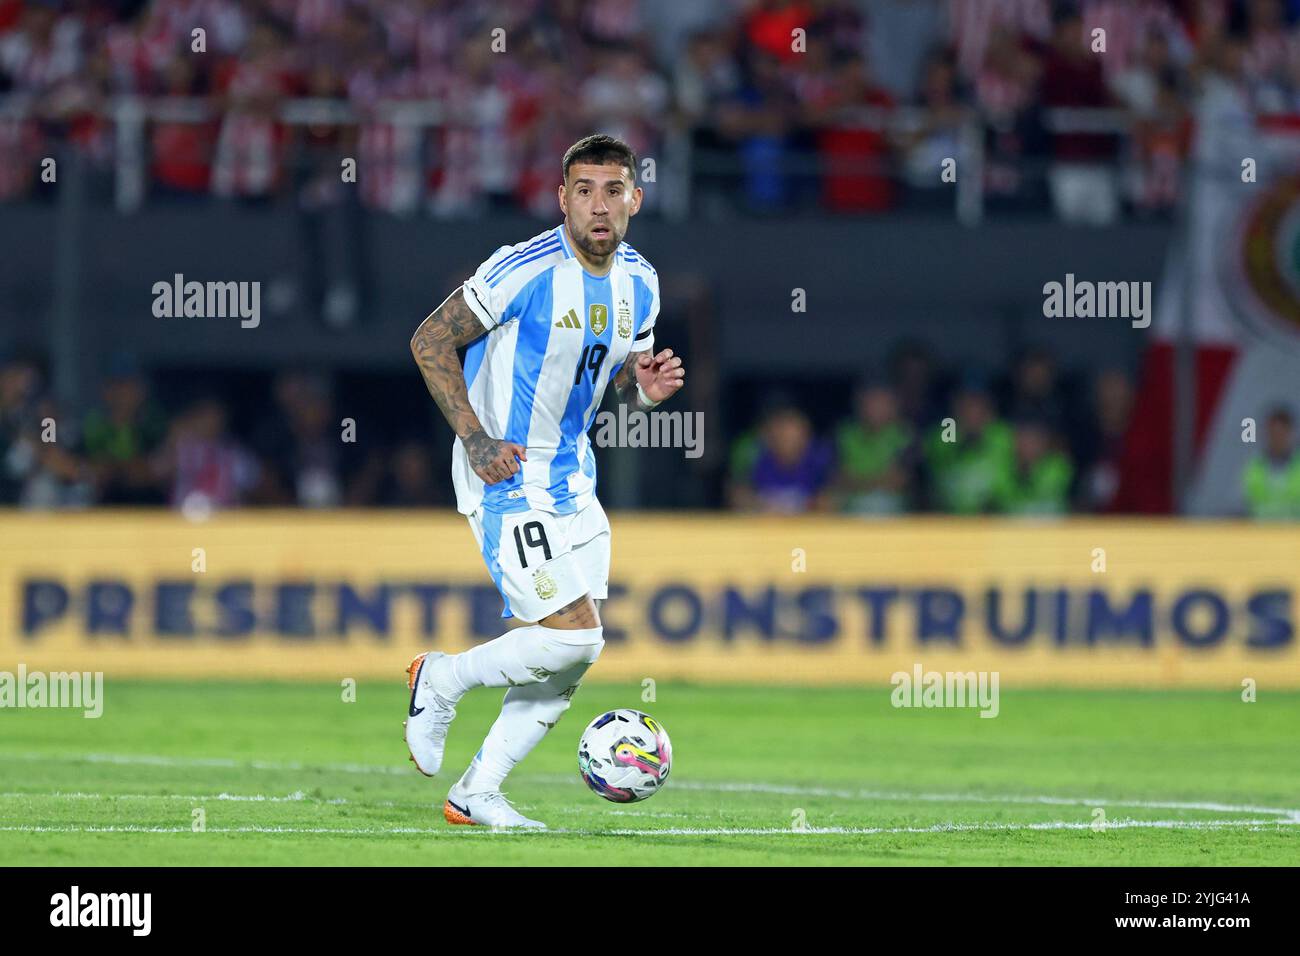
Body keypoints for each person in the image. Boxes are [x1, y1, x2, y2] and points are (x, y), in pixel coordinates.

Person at [404, 134, 685, 829]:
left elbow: (612, 374)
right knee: (574, 637)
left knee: (569, 661)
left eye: (613, 191)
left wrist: (640, 391)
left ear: (635, 200)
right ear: (561, 198)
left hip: (573, 481)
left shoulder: (641, 283)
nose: (599, 205)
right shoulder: (521, 268)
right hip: (506, 472)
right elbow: (430, 340)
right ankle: (441, 678)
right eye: (584, 190)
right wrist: (474, 438)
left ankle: (478, 792)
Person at [1243, 406, 1300, 519]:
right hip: (1261, 533)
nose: (1277, 438)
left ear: (1291, 433)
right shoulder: (1253, 467)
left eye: (1281, 433)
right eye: (1273, 433)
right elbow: (1243, 507)